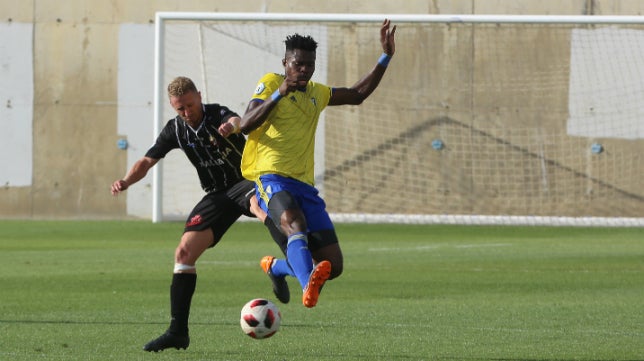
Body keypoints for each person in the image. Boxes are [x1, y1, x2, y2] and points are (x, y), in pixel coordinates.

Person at [110, 76, 286, 352]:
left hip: (246, 180)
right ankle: (177, 331)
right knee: (183, 253)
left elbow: (237, 119)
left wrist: (231, 126)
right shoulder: (176, 129)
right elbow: (147, 160)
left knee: (258, 206)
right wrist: (126, 181)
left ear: (199, 97)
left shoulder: (216, 113)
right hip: (218, 194)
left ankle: (283, 266)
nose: (187, 112)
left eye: (190, 105)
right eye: (180, 108)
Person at [239, 19, 397, 308]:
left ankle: (278, 268)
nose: (304, 70)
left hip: (304, 184)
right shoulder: (271, 83)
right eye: (298, 64)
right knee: (293, 224)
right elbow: (246, 124)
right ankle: (306, 288)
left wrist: (385, 56)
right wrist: (279, 93)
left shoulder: (316, 92)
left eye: (309, 65)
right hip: (271, 176)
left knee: (333, 265)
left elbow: (357, 94)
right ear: (285, 62)